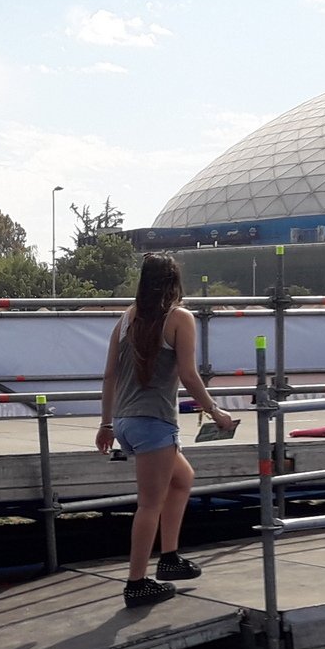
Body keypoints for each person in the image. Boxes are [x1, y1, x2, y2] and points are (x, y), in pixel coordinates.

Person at [96, 253, 238, 606]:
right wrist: (216, 412)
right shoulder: (179, 318)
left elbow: (110, 375)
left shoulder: (127, 319)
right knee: (149, 505)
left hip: (127, 421)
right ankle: (136, 583)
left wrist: (106, 423)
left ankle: (170, 557)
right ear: (175, 282)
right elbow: (189, 375)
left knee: (182, 478)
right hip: (154, 421)